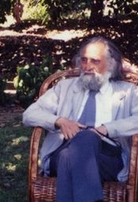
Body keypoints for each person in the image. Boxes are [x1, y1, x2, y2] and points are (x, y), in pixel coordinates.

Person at [23, 36, 138, 202]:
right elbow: (29, 114)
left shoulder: (127, 92)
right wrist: (60, 121)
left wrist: (107, 129)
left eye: (95, 61)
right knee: (73, 149)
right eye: (84, 60)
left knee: (73, 152)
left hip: (108, 157)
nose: (87, 66)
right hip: (64, 147)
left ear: (111, 64)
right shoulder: (65, 87)